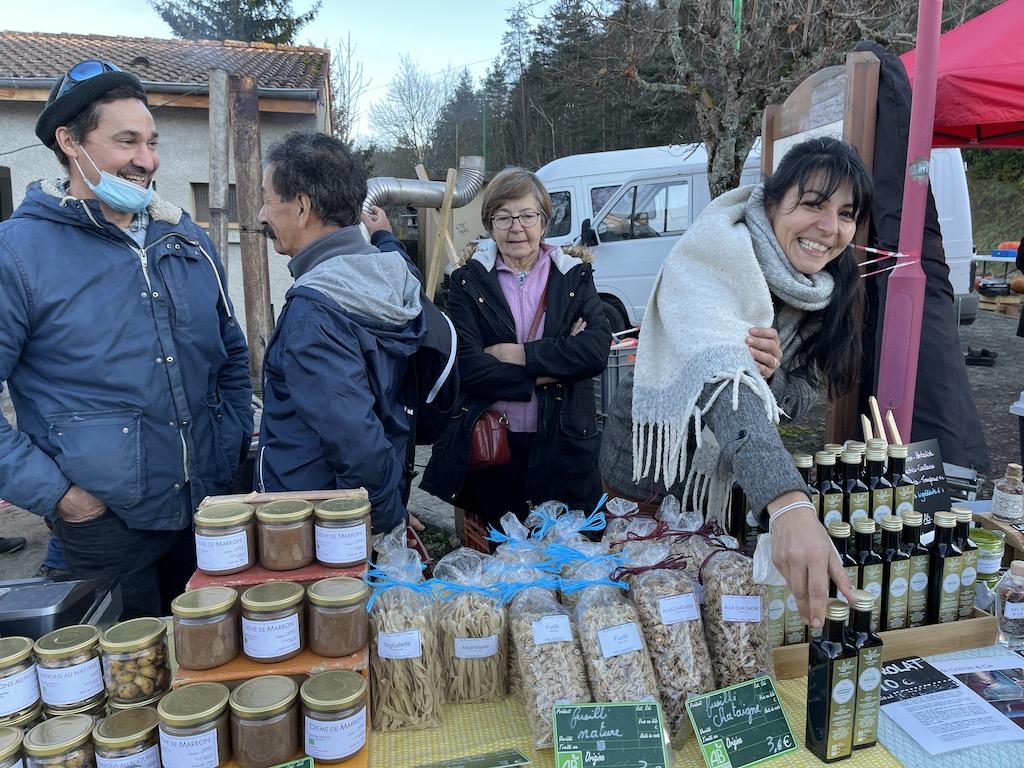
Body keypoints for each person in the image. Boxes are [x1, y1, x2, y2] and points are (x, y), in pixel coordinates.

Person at [0, 61, 252, 617]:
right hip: (104, 522)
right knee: (133, 679)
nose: (147, 159)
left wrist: (229, 441)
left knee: (213, 658)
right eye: (126, 141)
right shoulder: (16, 252)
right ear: (69, 142)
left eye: (153, 142)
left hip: (206, 506)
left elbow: (231, 355)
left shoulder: (185, 238)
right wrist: (61, 497)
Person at [624, 136, 871, 628]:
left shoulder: (825, 289)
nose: (830, 227)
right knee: (653, 622)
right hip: (653, 479)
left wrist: (773, 378)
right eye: (813, 204)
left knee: (711, 626)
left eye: (846, 213)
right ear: (772, 201)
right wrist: (786, 504)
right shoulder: (709, 259)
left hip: (731, 488)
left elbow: (804, 396)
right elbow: (724, 385)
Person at [421, 167, 612, 527]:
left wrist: (519, 354)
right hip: (495, 446)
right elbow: (469, 367)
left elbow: (595, 352)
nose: (516, 227)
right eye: (504, 217)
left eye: (527, 216)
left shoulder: (574, 275)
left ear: (544, 221)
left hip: (563, 443)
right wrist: (549, 370)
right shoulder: (467, 281)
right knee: (503, 560)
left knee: (567, 557)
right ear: (490, 224)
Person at [255, 132, 425, 534]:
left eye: (266, 199)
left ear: (301, 208)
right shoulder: (390, 274)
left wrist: (379, 527)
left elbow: (357, 445)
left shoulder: (314, 314)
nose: (261, 214)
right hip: (367, 504)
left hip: (320, 524)